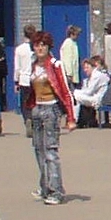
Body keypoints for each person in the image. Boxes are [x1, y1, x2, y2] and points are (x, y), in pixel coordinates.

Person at [22, 27, 76, 204]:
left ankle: (56, 190)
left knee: (51, 151)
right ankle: (45, 186)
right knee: (38, 149)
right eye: (37, 45)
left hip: (51, 110)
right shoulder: (33, 65)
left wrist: (70, 118)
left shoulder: (55, 65)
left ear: (48, 47)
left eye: (43, 45)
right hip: (37, 109)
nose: (40, 48)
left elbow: (66, 92)